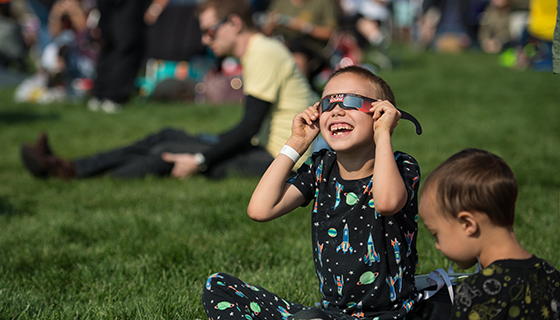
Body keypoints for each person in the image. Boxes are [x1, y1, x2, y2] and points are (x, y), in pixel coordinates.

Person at [202, 65, 423, 319]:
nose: (337, 110)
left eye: (352, 102)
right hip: (330, 314)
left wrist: (384, 133)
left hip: (389, 316)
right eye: (327, 104)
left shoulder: (402, 166)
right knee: (218, 286)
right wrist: (297, 142)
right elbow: (260, 209)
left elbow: (386, 202)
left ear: (382, 113)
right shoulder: (321, 168)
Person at [20, 0, 313, 180]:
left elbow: (249, 126)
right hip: (269, 150)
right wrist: (207, 144)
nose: (204, 39)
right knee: (167, 136)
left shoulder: (262, 52)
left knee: (166, 152)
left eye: (209, 30)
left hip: (279, 162)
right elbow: (250, 127)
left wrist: (199, 160)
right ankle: (72, 167)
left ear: (234, 23)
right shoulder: (259, 51)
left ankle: (70, 173)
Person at [418, 148, 560, 320]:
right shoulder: (551, 275)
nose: (437, 245)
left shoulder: (478, 292)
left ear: (468, 224)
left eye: (436, 234)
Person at [260, 0, 338, 85]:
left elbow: (331, 33)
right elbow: (265, 33)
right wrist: (271, 23)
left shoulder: (323, 3)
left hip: (313, 49)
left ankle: (300, 88)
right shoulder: (280, 3)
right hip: (283, 45)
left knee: (298, 54)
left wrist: (305, 27)